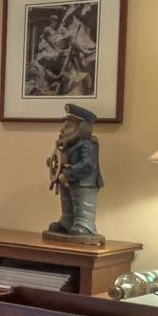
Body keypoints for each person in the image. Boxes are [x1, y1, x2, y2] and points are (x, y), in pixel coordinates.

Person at [45, 104, 104, 244]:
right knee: (67, 202)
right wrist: (53, 163)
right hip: (66, 180)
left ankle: (85, 225)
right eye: (64, 126)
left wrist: (68, 173)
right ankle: (67, 221)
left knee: (82, 203)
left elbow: (88, 164)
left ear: (81, 128)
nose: (63, 130)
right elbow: (61, 158)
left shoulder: (89, 144)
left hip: (85, 183)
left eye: (68, 127)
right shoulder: (67, 144)